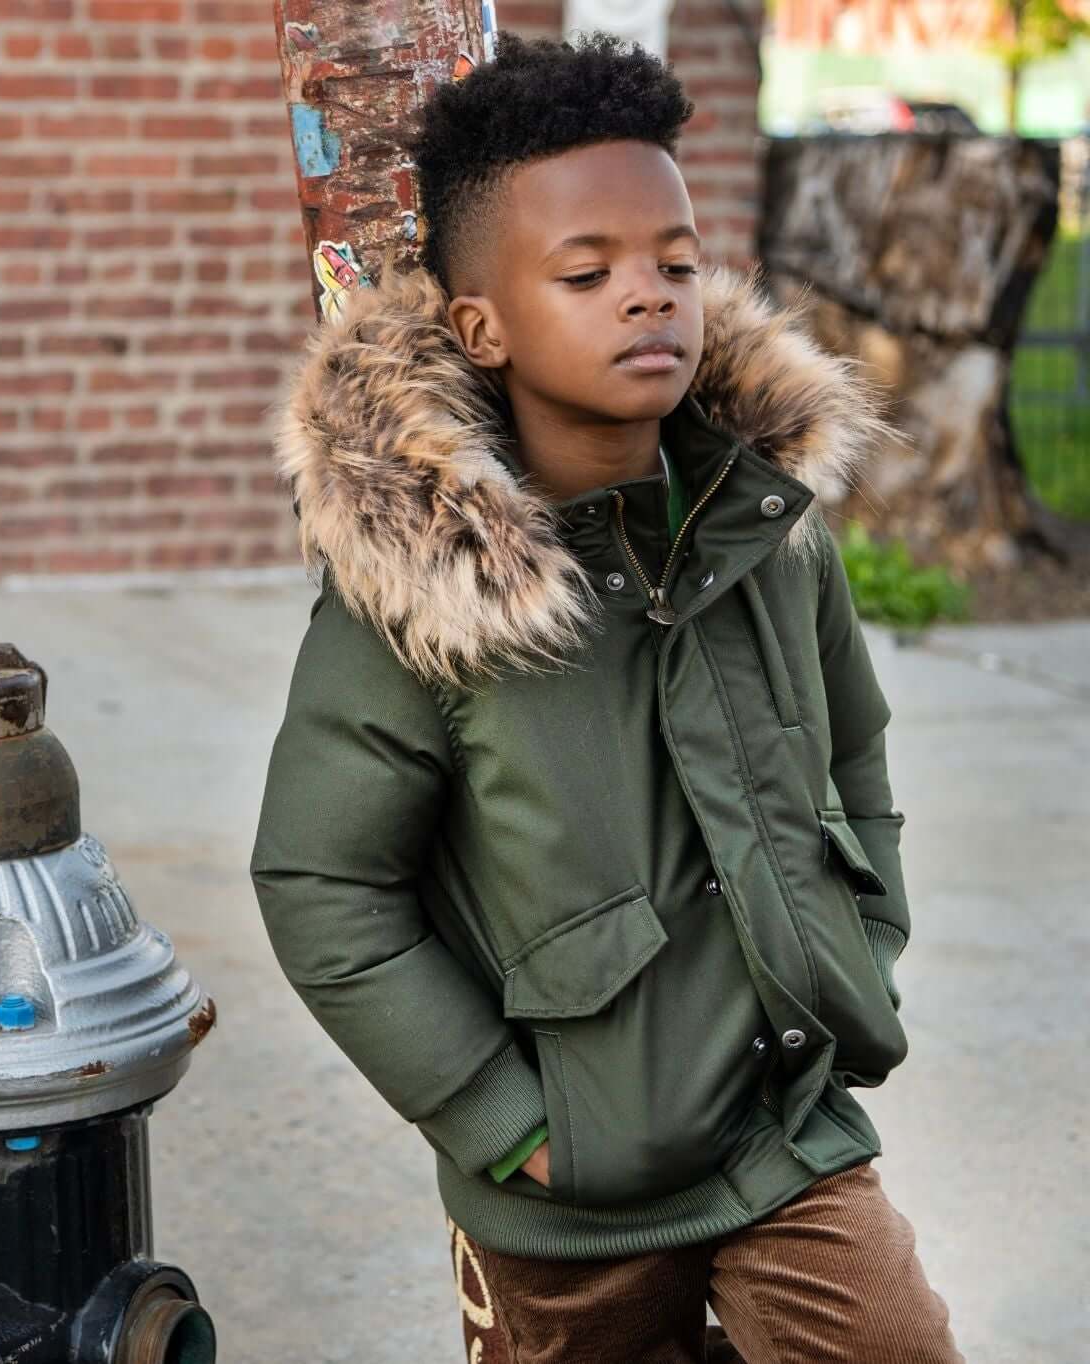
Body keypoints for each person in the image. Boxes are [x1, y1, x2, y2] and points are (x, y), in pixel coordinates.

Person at [247, 30, 963, 1364]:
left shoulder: (765, 529)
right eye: (588, 273)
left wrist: (861, 934)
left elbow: (855, 753)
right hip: (574, 1181)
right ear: (483, 323)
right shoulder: (425, 591)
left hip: (783, 1127)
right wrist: (504, 1119)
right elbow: (319, 880)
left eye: (676, 265)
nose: (649, 298)